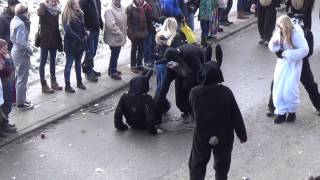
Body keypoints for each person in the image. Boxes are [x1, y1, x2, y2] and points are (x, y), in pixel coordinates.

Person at [188, 60, 247, 180]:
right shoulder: (226, 92)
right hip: (224, 135)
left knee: (197, 164)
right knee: (222, 165)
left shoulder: (194, 93)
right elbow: (236, 115)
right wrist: (242, 135)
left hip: (202, 135)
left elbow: (191, 108)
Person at [266, 14, 320, 117]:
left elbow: (308, 51)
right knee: (277, 83)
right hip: (285, 63)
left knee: (310, 84)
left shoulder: (306, 33)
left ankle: (319, 105)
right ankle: (272, 107)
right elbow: (274, 47)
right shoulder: (280, 30)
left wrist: (294, 56)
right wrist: (278, 48)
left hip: (302, 63)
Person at [114, 70, 161, 135]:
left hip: (131, 123)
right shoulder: (146, 99)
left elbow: (117, 113)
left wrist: (120, 126)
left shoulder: (124, 96)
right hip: (144, 126)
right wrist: (153, 131)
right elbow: (150, 118)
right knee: (156, 103)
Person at [154, 17, 186, 96]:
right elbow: (176, 50)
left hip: (158, 62)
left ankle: (156, 100)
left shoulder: (159, 35)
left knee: (159, 84)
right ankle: (157, 103)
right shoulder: (175, 36)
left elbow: (157, 49)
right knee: (163, 86)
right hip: (166, 62)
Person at [10, 3, 34, 110]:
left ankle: (21, 99)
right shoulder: (21, 24)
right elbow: (21, 41)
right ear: (24, 12)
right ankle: (21, 103)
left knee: (19, 76)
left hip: (15, 50)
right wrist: (29, 49)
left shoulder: (14, 20)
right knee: (22, 77)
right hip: (21, 52)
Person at [37, 0, 63, 93]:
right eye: (52, 1)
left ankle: (53, 82)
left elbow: (56, 26)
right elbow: (39, 13)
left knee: (53, 61)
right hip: (45, 40)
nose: (54, 3)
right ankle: (43, 85)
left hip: (54, 39)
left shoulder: (56, 10)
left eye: (56, 1)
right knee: (43, 62)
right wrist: (43, 5)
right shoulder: (43, 8)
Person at [62, 0, 87, 93]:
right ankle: (67, 85)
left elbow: (82, 27)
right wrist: (78, 37)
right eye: (74, 4)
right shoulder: (66, 15)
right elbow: (68, 30)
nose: (77, 5)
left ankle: (79, 82)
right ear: (70, 5)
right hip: (71, 44)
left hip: (80, 43)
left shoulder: (80, 13)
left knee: (78, 64)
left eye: (77, 3)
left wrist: (85, 33)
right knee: (69, 64)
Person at [79, 0, 103, 82]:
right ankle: (88, 72)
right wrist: (85, 29)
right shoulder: (83, 2)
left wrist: (100, 22)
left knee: (94, 51)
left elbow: (98, 12)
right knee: (90, 51)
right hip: (89, 31)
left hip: (96, 28)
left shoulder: (97, 1)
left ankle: (89, 68)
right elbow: (81, 17)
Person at [103, 0, 127, 80]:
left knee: (115, 53)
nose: (118, 1)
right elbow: (111, 25)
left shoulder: (122, 7)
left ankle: (112, 69)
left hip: (119, 36)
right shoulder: (109, 10)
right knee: (115, 54)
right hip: (113, 37)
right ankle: (113, 72)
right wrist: (120, 33)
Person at [126, 0, 149, 73]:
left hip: (142, 32)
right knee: (134, 49)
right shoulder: (130, 8)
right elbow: (127, 21)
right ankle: (133, 66)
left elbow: (146, 19)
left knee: (141, 49)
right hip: (134, 32)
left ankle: (139, 65)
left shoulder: (145, 6)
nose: (139, 0)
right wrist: (130, 32)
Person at [0, 39, 16, 137]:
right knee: (5, 105)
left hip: (7, 83)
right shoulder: (2, 59)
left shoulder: (3, 57)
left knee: (8, 103)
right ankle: (3, 125)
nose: (6, 51)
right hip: (4, 84)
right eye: (4, 49)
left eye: (6, 49)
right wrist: (7, 59)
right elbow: (6, 71)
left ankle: (5, 123)